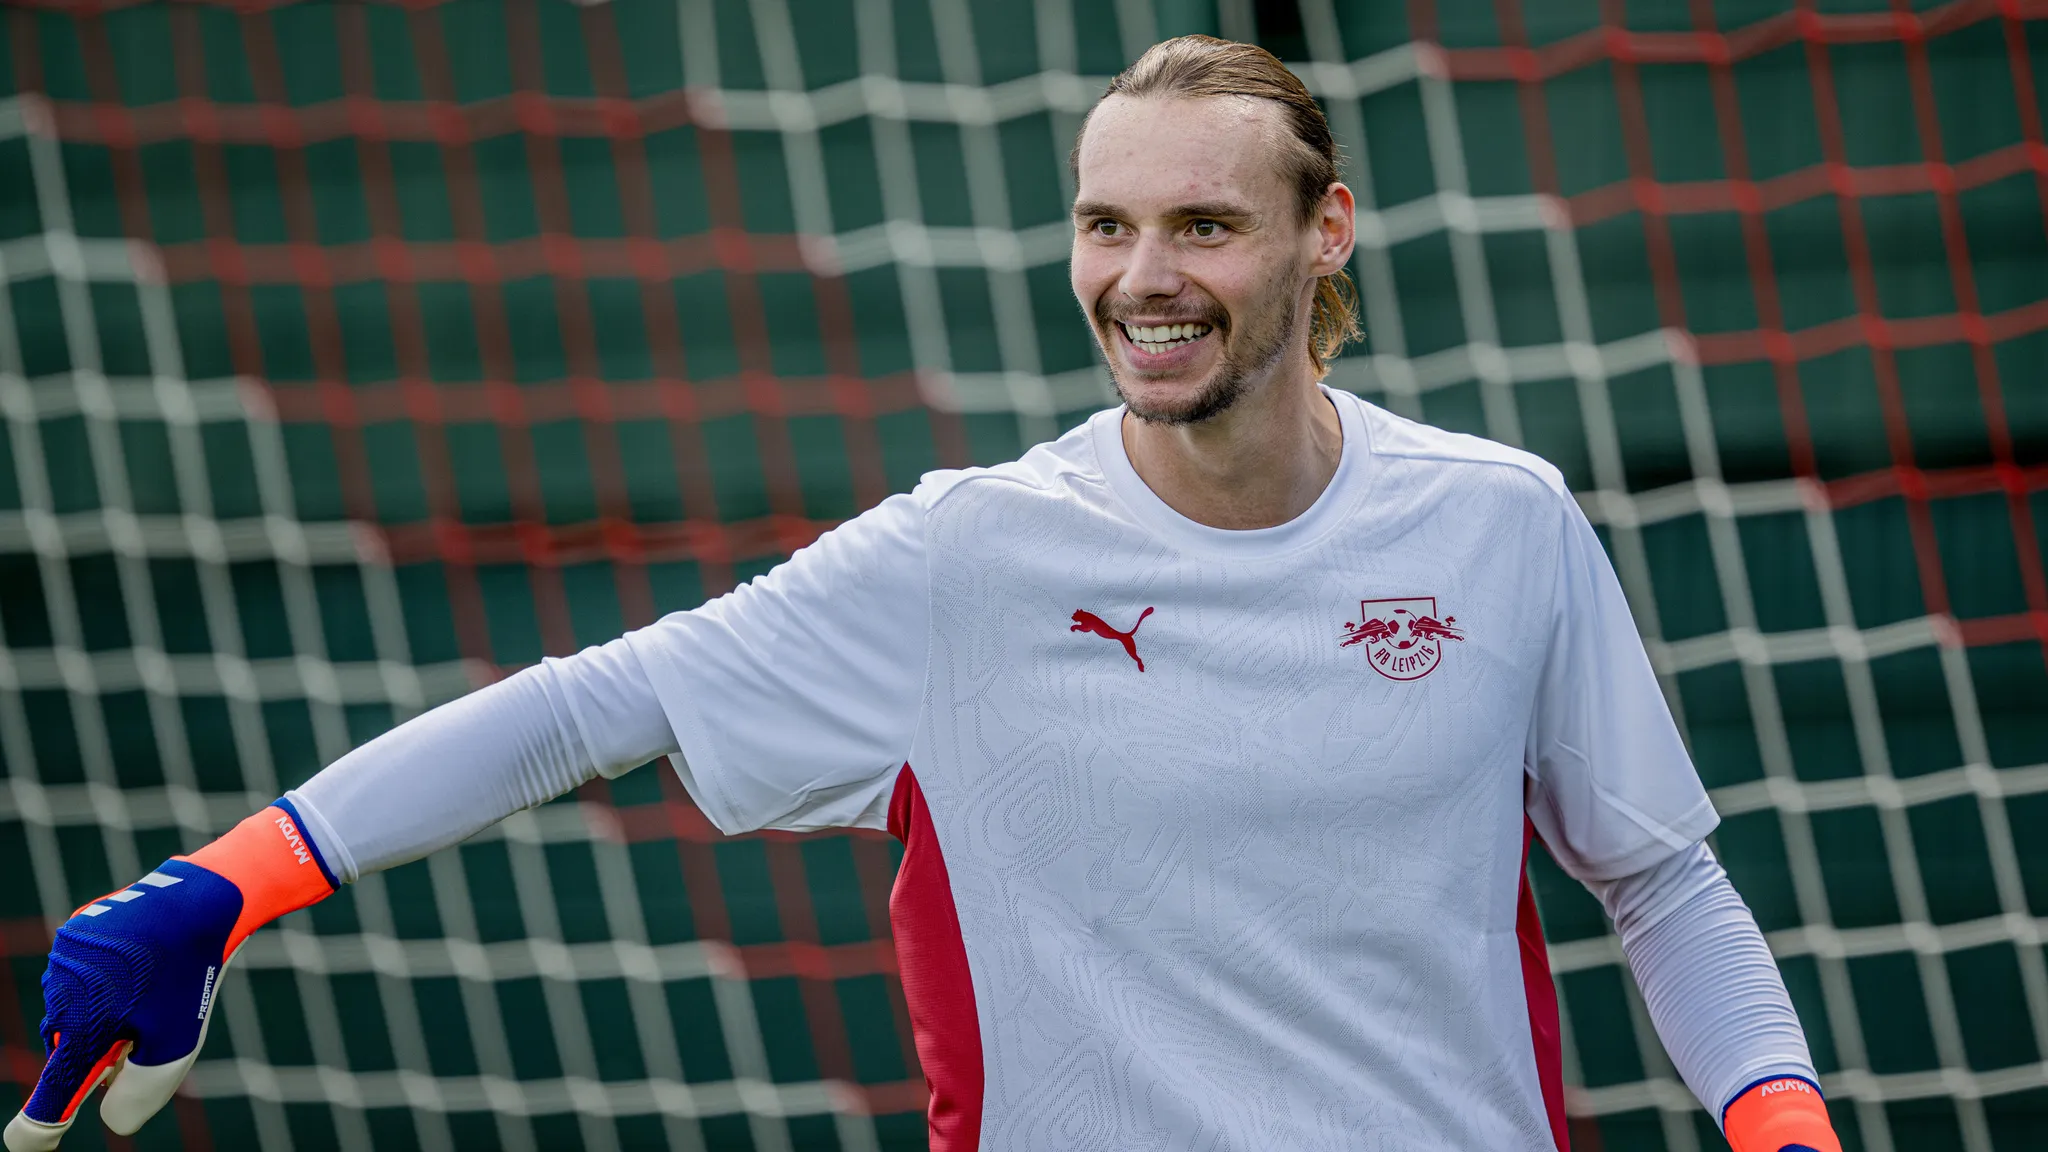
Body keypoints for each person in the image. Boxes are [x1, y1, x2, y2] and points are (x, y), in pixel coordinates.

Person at [9, 36, 1840, 1152]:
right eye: (1104, 226)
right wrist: (218, 891)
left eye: (1203, 226)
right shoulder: (971, 553)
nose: (1144, 278)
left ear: (1322, 233)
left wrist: (1782, 1126)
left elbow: (1661, 878)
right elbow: (588, 710)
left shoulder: (1499, 525)